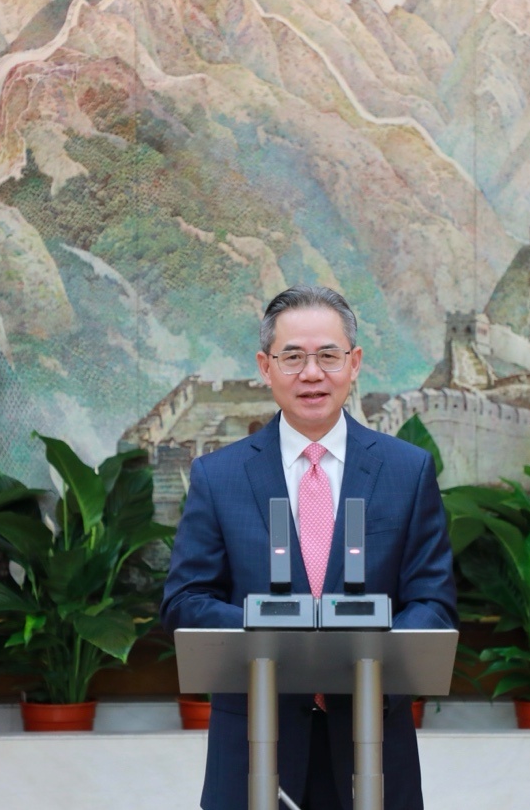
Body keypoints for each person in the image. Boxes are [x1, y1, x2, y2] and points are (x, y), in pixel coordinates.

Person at [161, 285, 458, 810]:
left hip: (372, 745)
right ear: (265, 367)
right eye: (293, 357)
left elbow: (433, 604)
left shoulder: (406, 471)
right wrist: (282, 639)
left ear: (354, 363)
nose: (312, 373)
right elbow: (186, 602)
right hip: (254, 748)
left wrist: (361, 654)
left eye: (328, 356)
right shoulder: (218, 475)